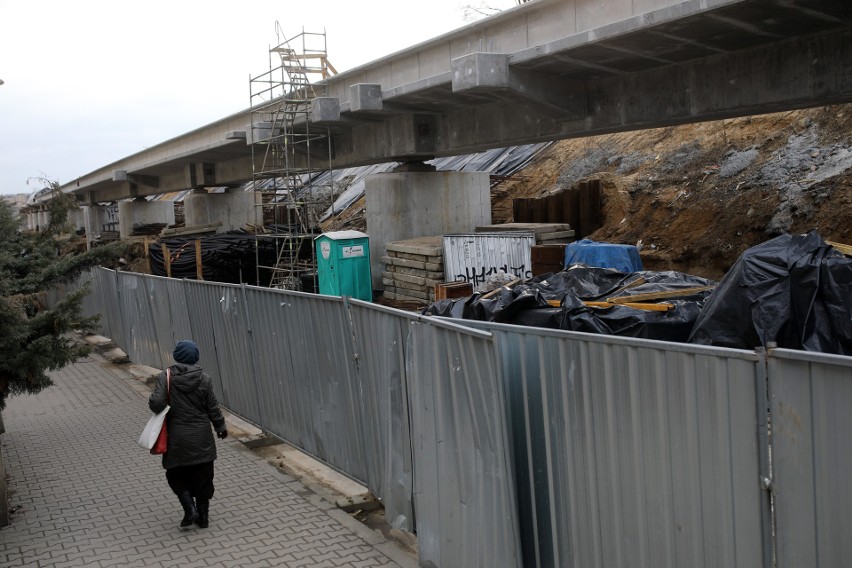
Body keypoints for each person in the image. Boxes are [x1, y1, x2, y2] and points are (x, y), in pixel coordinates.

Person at [149, 339, 228, 529]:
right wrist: (220, 427)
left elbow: (156, 404)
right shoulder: (205, 378)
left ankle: (189, 509)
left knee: (176, 474)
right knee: (203, 476)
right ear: (195, 357)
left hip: (177, 438)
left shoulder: (166, 377)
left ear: (176, 356)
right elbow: (212, 407)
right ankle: (203, 517)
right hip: (202, 437)